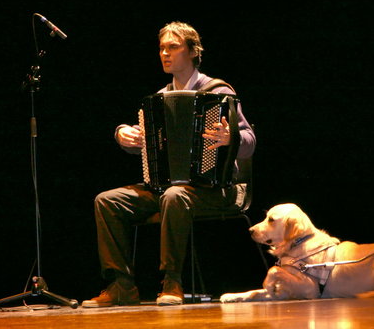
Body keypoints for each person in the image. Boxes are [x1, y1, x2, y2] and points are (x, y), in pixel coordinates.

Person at [82, 21, 256, 307]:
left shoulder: (218, 90)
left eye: (173, 47)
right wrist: (125, 136)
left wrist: (231, 137)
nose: (165, 53)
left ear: (193, 51)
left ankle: (172, 281)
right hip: (168, 190)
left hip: (216, 189)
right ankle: (121, 285)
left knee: (176, 197)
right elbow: (147, 148)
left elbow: (250, 140)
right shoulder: (160, 99)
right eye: (161, 48)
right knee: (107, 201)